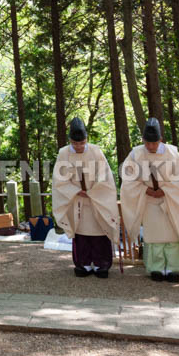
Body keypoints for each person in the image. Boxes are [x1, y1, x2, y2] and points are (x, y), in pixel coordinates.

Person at [120, 118, 179, 282]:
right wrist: (145, 189)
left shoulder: (172, 153)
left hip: (170, 199)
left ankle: (172, 268)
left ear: (160, 140)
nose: (151, 147)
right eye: (148, 143)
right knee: (154, 235)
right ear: (143, 141)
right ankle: (156, 268)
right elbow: (128, 178)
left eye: (154, 143)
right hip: (148, 199)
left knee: (172, 234)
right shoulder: (135, 154)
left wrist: (165, 190)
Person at [52, 118, 121, 278]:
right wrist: (76, 191)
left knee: (99, 231)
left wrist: (93, 190)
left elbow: (105, 176)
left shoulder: (96, 151)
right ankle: (83, 264)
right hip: (76, 199)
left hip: (96, 198)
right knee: (81, 233)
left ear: (86, 140)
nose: (79, 147)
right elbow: (59, 179)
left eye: (82, 143)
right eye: (75, 144)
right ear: (70, 141)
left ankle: (101, 264)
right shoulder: (64, 153)